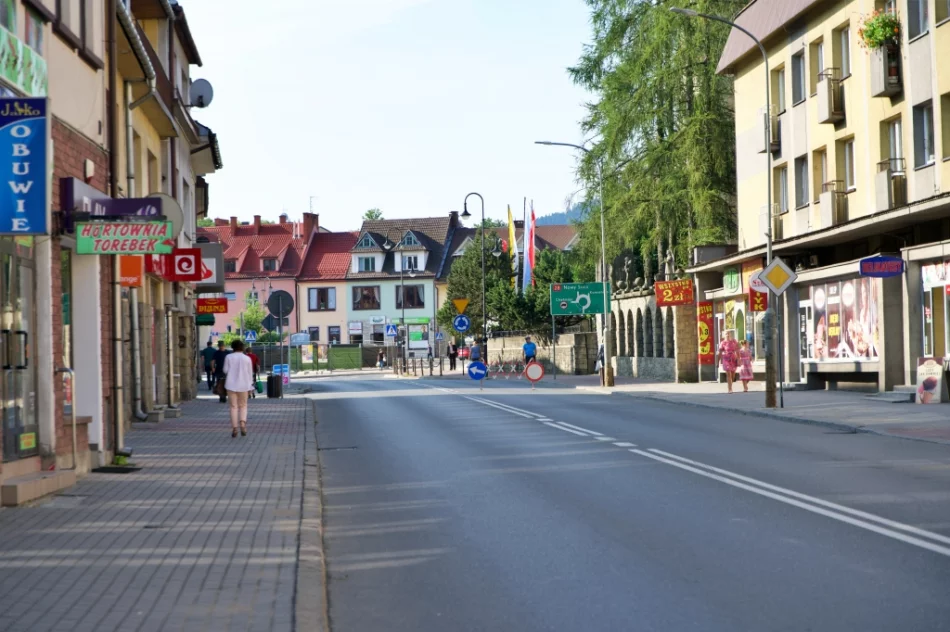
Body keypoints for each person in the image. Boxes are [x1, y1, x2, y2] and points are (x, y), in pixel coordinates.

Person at [222, 339, 254, 438]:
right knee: (243, 406)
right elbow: (250, 373)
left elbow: (225, 370)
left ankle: (235, 428)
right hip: (244, 385)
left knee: (233, 407)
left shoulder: (228, 357)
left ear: (233, 347)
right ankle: (243, 424)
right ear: (242, 348)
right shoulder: (247, 358)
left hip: (231, 385)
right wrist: (251, 386)